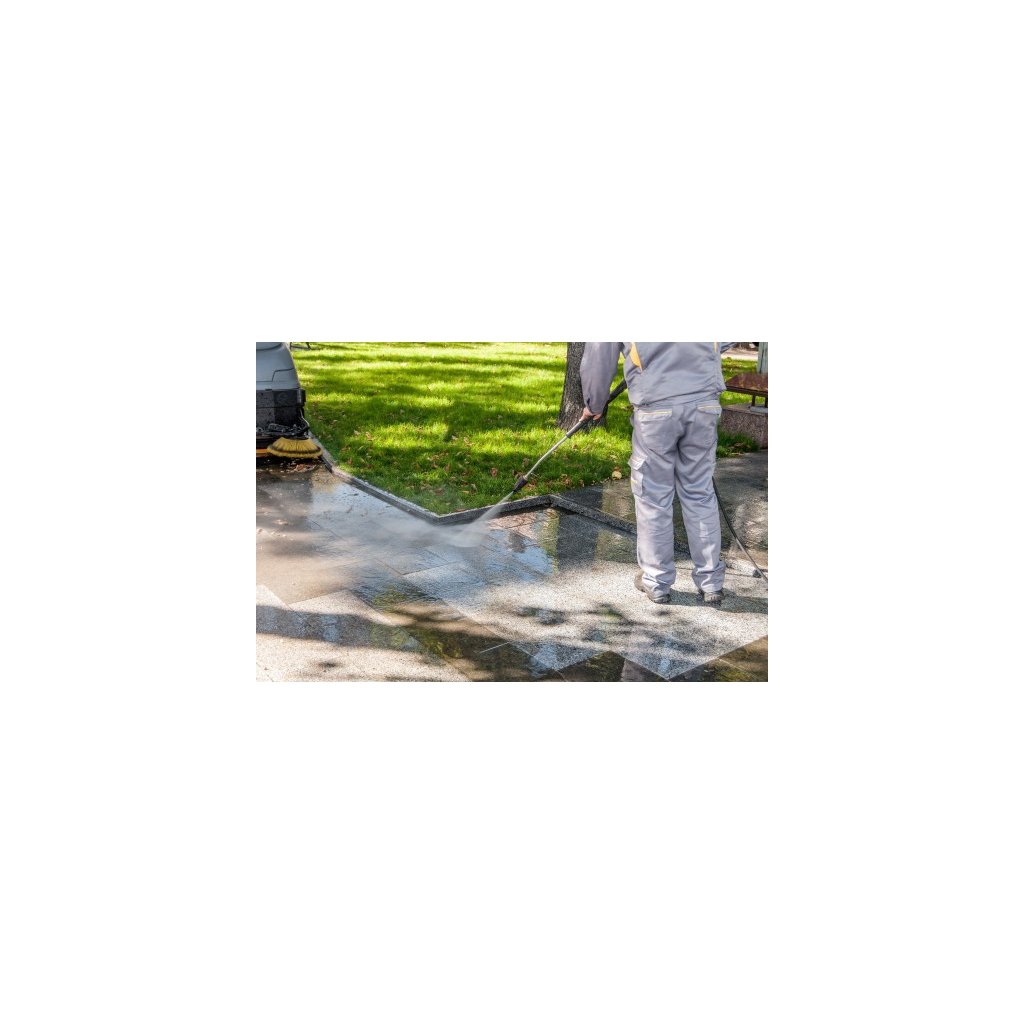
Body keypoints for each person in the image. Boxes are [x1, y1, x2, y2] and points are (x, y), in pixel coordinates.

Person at [580, 342, 735, 606]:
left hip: (656, 406)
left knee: (653, 496)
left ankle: (657, 581)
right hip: (704, 404)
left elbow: (599, 353)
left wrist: (594, 403)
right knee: (699, 493)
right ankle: (711, 582)